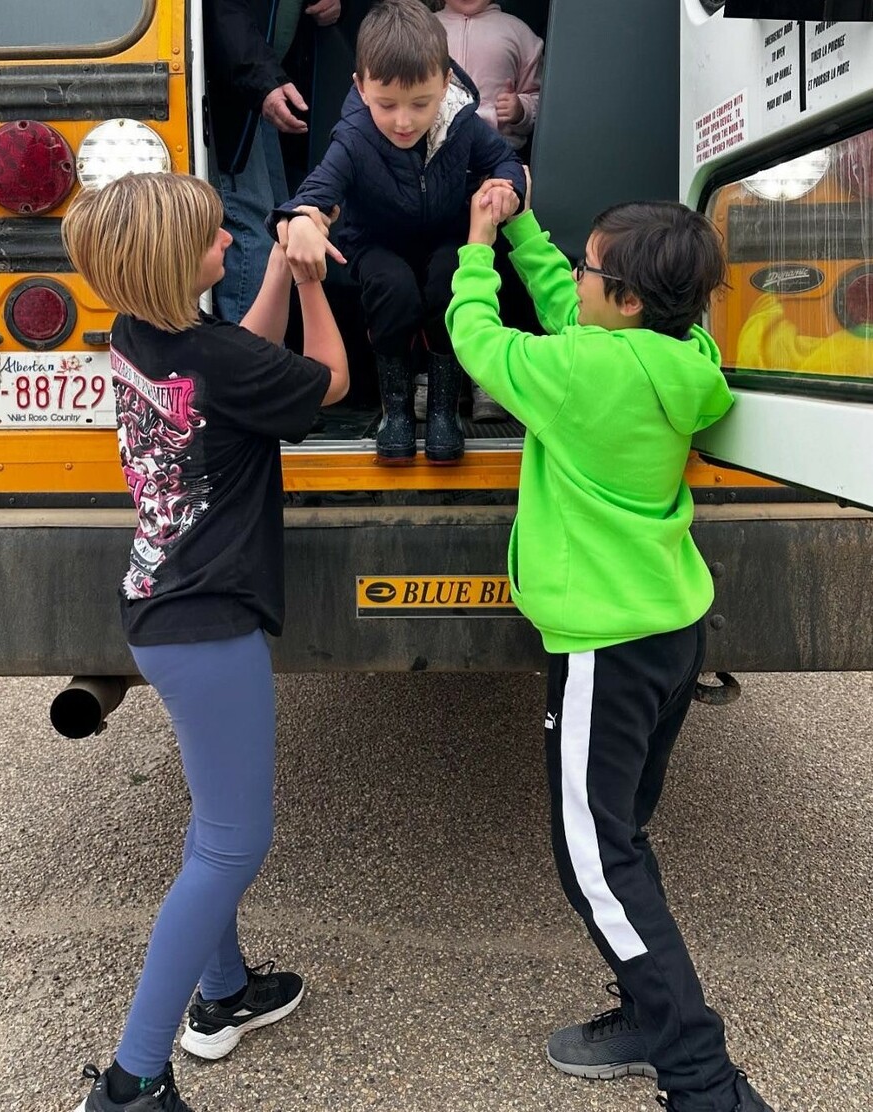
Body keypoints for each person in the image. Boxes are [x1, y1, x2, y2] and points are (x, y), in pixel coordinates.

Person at [445, 174, 775, 1112]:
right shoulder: (687, 356)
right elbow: (571, 313)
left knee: (593, 860)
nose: (577, 282)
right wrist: (532, 241)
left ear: (625, 298)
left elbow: (479, 341)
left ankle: (703, 1080)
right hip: (671, 629)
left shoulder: (577, 374)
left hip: (605, 644)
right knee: (623, 833)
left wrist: (478, 246)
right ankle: (642, 1009)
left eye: (590, 271)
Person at [61, 172, 348, 1112]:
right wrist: (307, 280)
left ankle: (222, 995)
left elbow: (240, 359)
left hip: (158, 606)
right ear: (172, 263)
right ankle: (133, 1081)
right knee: (234, 844)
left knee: (214, 824)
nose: (231, 238)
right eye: (214, 234)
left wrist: (269, 273)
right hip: (208, 622)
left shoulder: (147, 336)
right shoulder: (218, 361)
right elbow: (325, 384)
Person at [269, 0, 526, 464]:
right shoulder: (354, 135)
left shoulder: (462, 121)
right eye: (387, 104)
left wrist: (508, 186)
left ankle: (445, 411)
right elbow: (316, 189)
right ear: (361, 88)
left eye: (420, 104)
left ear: (445, 85)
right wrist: (303, 219)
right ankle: (398, 412)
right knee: (393, 290)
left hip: (444, 235)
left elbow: (503, 160)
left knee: (452, 277)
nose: (403, 121)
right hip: (377, 242)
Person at [433, 0, 543, 421]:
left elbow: (543, 94)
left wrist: (521, 109)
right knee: (442, 266)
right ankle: (439, 375)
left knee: (498, 272)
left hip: (496, 168)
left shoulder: (516, 31)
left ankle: (490, 381)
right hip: (435, 166)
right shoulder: (426, 27)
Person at [204, 0, 342, 323]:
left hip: (265, 85)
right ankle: (250, 362)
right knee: (252, 229)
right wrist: (262, 79)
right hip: (237, 91)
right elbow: (222, 13)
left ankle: (268, 357)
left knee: (278, 219)